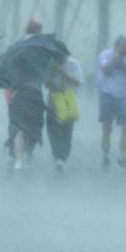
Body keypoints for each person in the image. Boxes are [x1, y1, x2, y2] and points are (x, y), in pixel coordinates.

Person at [97, 36, 126, 170]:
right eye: (124, 49)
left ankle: (123, 156)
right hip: (107, 95)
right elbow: (104, 68)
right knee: (107, 128)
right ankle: (105, 155)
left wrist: (125, 65)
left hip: (124, 97)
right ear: (116, 46)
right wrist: (116, 59)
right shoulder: (105, 54)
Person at [4, 19, 43, 162]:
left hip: (13, 90)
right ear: (38, 31)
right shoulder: (40, 49)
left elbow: (7, 67)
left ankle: (13, 150)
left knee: (16, 122)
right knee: (33, 123)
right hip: (33, 91)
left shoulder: (15, 46)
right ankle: (27, 152)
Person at [44, 41, 82, 173]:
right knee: (53, 131)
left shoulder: (72, 64)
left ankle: (62, 158)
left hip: (68, 101)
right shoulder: (50, 64)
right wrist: (50, 77)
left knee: (66, 131)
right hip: (53, 100)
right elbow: (46, 85)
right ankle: (57, 157)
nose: (57, 57)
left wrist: (62, 71)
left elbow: (77, 82)